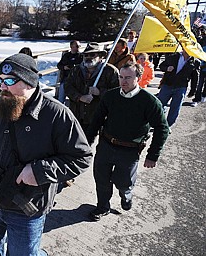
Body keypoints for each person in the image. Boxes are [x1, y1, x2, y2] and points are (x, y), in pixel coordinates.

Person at [0, 53, 92, 256]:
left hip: (26, 206)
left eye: (10, 81)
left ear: (30, 82)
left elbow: (82, 157)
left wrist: (39, 171)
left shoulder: (57, 115)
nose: (2, 87)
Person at [85, 62, 170, 221]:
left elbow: (162, 128)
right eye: (121, 77)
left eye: (128, 78)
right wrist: (87, 143)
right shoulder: (110, 96)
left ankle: (126, 195)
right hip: (106, 145)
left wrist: (153, 155)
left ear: (138, 77)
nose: (123, 81)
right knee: (101, 178)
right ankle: (102, 207)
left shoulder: (149, 102)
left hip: (129, 151)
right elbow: (96, 120)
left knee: (123, 181)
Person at [65, 42, 119, 134]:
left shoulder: (110, 71)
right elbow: (68, 87)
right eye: (86, 55)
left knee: (89, 143)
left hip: (97, 117)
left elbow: (117, 93)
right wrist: (79, 97)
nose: (88, 57)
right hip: (76, 114)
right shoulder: (76, 70)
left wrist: (100, 92)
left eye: (92, 54)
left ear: (101, 56)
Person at [157, 49, 199, 126]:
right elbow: (161, 66)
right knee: (159, 105)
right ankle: (158, 122)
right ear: (183, 49)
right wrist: (167, 68)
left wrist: (193, 91)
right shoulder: (173, 57)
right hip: (167, 85)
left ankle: (168, 125)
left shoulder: (195, 62)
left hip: (181, 87)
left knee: (175, 108)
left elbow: (195, 78)